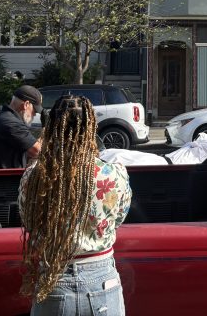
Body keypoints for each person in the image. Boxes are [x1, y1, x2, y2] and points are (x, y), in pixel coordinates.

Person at [19, 95, 132, 315]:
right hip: (102, 281)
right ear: (92, 127)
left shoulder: (34, 176)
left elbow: (29, 221)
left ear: (52, 126)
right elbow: (117, 218)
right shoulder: (115, 174)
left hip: (53, 282)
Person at [0, 85, 43, 169]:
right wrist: (46, 128)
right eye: (34, 110)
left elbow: (26, 150)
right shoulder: (11, 123)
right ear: (26, 104)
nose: (35, 114)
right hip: (3, 180)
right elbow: (38, 152)